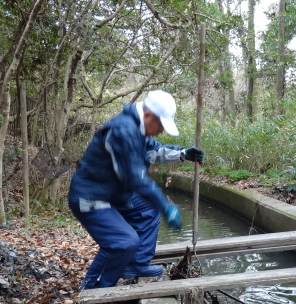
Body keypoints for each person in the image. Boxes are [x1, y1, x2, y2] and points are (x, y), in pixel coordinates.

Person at [68, 90, 205, 291]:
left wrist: (183, 154)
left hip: (113, 194)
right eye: (160, 126)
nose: (160, 131)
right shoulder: (123, 131)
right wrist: (165, 206)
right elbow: (134, 178)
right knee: (124, 242)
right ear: (148, 115)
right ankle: (93, 290)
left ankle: (136, 264)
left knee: (148, 208)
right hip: (90, 198)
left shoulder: (139, 130)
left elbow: (154, 151)